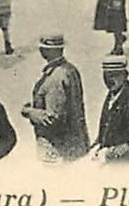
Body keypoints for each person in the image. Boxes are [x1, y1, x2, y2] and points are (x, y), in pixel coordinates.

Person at [19, 34, 90, 164]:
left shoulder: (55, 77)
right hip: (73, 144)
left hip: (57, 150)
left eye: (43, 48)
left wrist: (29, 112)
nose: (40, 51)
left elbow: (52, 118)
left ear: (50, 50)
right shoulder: (70, 69)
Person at [91, 56, 129, 164]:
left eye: (115, 75)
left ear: (125, 75)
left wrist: (109, 154)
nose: (110, 80)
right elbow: (105, 132)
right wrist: (95, 147)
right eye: (107, 75)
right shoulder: (112, 95)